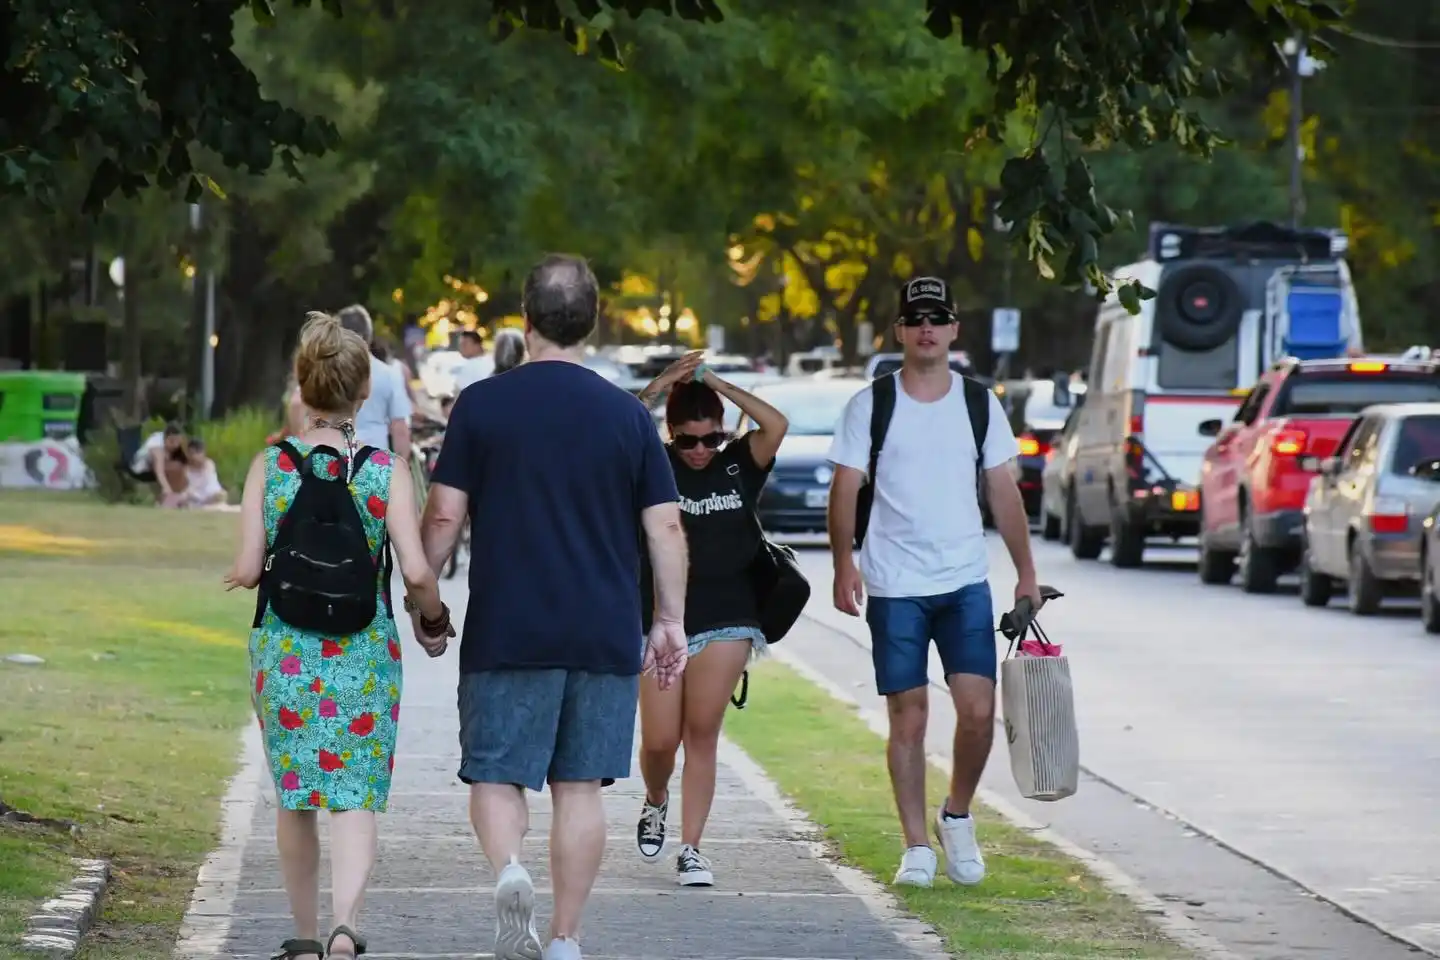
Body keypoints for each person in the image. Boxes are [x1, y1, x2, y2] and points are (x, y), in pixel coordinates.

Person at [421, 253, 689, 960]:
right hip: (602, 632)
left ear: (526, 317)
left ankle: (511, 869)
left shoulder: (482, 404)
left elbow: (446, 516)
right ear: (592, 321)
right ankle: (566, 938)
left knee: (495, 772)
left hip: (509, 627)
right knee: (581, 788)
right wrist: (669, 621)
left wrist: (425, 597)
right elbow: (665, 526)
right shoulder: (627, 416)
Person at [224, 311, 452, 960]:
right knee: (354, 796)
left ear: (301, 385)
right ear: (361, 395)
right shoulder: (385, 470)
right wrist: (432, 619)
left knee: (294, 796)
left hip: (284, 649)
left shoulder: (271, 466)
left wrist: (240, 575)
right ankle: (345, 929)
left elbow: (247, 566)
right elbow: (413, 570)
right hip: (363, 649)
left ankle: (301, 937)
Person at [825, 275, 1040, 890]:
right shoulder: (872, 404)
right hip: (895, 584)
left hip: (964, 579)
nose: (926, 329)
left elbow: (1002, 489)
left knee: (978, 712)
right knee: (909, 719)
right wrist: (845, 561)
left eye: (936, 318)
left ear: (952, 330)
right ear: (899, 332)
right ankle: (915, 845)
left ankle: (957, 815)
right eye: (915, 319)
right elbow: (846, 489)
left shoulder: (979, 403)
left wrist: (1026, 572)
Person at [632, 352, 788, 885]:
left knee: (702, 733)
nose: (700, 450)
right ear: (671, 434)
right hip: (658, 617)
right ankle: (656, 797)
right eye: (688, 440)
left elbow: (776, 423)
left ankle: (692, 848)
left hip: (728, 614)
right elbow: (610, 433)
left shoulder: (740, 461)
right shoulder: (652, 462)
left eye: (711, 439)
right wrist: (660, 386)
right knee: (658, 742)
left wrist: (713, 381)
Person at [336, 304, 413, 461]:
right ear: (369, 335)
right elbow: (400, 428)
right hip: (375, 460)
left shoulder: (325, 372)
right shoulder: (389, 374)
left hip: (334, 458)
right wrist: (400, 470)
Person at [132, 422, 189, 507]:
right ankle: (168, 500)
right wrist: (168, 490)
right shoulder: (156, 446)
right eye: (172, 441)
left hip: (160, 465)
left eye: (178, 441)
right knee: (174, 468)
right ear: (165, 438)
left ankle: (180, 497)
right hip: (142, 469)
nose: (175, 445)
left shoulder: (174, 444)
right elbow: (159, 471)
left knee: (180, 467)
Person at [181, 438, 229, 508]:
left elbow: (205, 480)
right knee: (184, 497)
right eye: (191, 453)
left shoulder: (208, 463)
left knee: (222, 494)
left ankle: (205, 504)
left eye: (197, 453)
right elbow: (184, 486)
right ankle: (201, 504)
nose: (194, 457)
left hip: (212, 493)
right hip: (196, 495)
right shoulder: (186, 469)